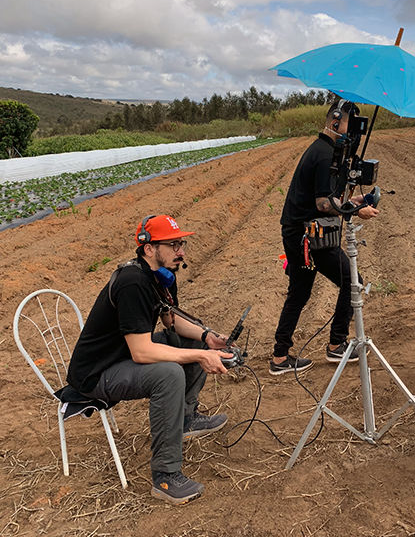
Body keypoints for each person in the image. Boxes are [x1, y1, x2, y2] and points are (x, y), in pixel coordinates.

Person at [66, 214, 234, 505]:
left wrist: (207, 337)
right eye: (173, 245)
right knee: (169, 374)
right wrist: (200, 356)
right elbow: (141, 352)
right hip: (97, 372)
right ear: (149, 249)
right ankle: (165, 478)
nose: (181, 251)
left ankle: (186, 419)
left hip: (122, 357)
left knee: (192, 341)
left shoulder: (162, 276)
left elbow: (172, 321)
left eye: (181, 243)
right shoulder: (133, 282)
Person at [270, 100, 379, 375]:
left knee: (299, 293)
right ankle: (336, 344)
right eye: (349, 124)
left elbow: (326, 199)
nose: (352, 131)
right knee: (352, 282)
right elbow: (322, 204)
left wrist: (351, 199)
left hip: (298, 232)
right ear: (335, 122)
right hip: (309, 236)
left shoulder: (324, 150)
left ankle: (280, 358)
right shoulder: (323, 154)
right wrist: (355, 209)